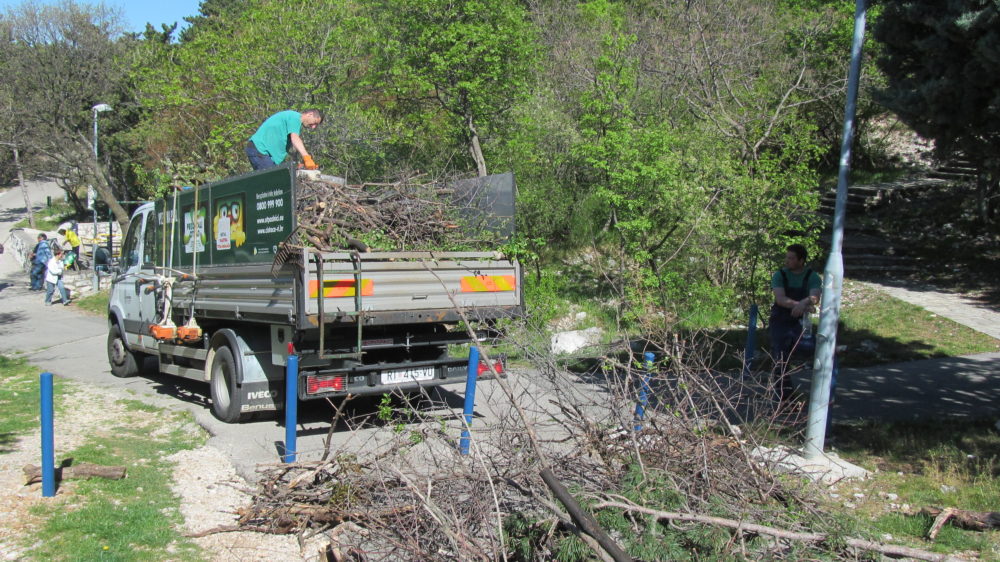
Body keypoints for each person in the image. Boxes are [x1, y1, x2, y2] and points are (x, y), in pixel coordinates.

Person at [769, 243, 821, 400]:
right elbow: (780, 299)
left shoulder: (812, 276)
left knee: (809, 348)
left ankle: (819, 392)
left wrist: (804, 303)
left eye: (791, 258)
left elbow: (815, 297)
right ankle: (783, 395)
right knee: (779, 356)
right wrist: (798, 304)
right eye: (787, 257)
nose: (787, 261)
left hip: (801, 320)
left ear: (801, 260)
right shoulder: (780, 275)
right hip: (780, 319)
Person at [246, 109, 323, 171]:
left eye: (316, 125)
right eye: (315, 123)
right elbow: (295, 138)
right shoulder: (295, 117)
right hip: (260, 150)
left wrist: (297, 165)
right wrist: (307, 158)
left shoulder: (292, 120)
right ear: (310, 114)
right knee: (272, 184)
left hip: (264, 154)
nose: (313, 127)